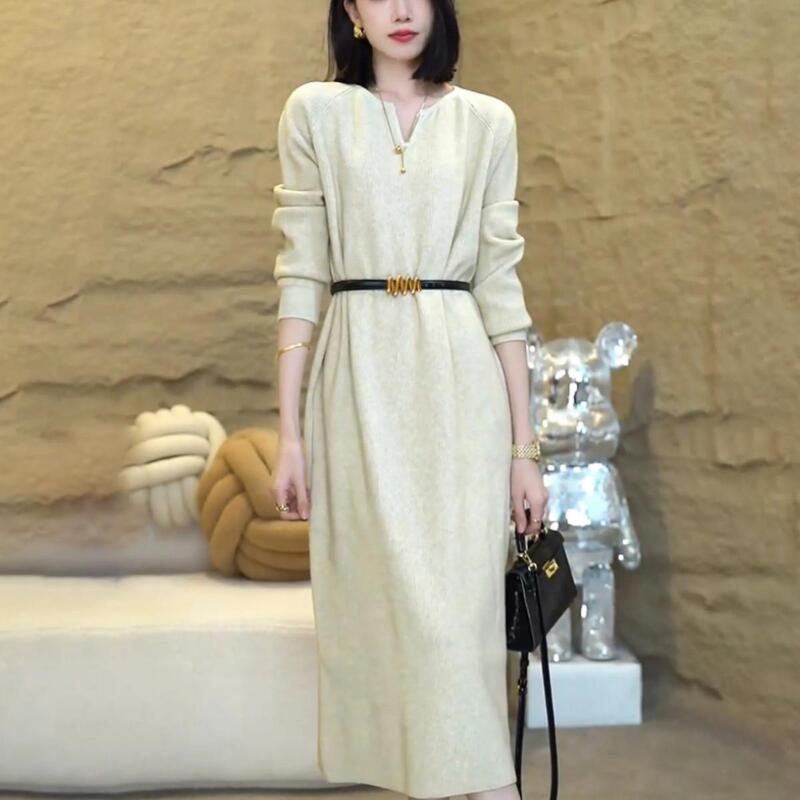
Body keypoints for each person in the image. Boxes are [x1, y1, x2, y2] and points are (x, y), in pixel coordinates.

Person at [270, 1, 548, 798]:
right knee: (386, 624)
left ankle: (492, 788)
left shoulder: (488, 122)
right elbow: (300, 272)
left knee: (455, 627)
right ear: (350, 11)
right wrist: (289, 433)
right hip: (357, 385)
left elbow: (500, 286)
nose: (399, 8)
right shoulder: (315, 112)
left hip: (461, 387)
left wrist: (524, 450)